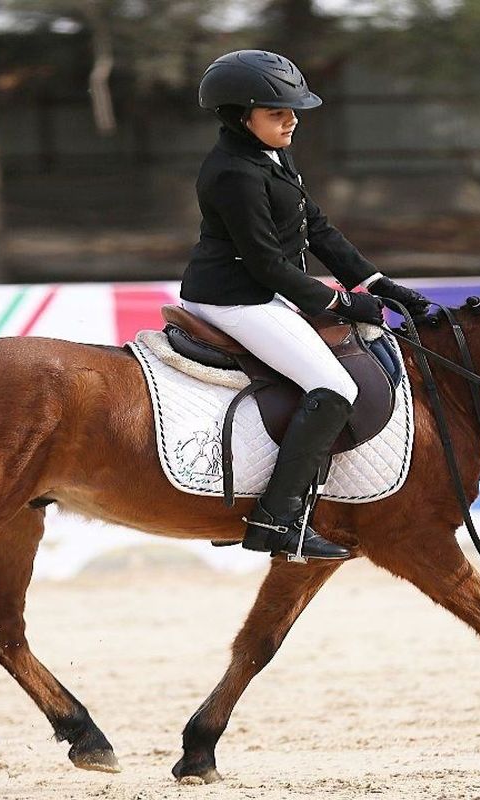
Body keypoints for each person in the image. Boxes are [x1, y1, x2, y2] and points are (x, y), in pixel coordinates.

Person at [180, 50, 431, 561]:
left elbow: (316, 228)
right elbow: (267, 264)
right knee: (335, 386)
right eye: (277, 111)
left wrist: (380, 283)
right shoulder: (234, 173)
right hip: (235, 298)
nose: (292, 119)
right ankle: (276, 520)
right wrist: (341, 304)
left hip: (263, 291)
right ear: (239, 117)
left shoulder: (271, 155)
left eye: (292, 109)